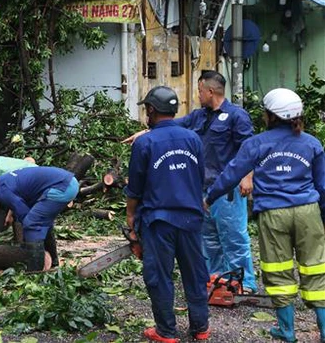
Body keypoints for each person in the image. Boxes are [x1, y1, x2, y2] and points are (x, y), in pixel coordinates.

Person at [205, 88, 325, 343]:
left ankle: (287, 330)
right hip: (308, 212)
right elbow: (322, 185)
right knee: (316, 268)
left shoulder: (256, 143)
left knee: (278, 270)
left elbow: (231, 174)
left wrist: (209, 197)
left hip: (273, 214)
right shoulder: (312, 143)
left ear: (269, 115)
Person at [123, 71, 258, 293]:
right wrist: (145, 133)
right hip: (202, 190)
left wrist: (247, 176)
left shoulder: (236, 116)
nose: (198, 95)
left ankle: (244, 283)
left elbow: (248, 148)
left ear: (210, 91)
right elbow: (170, 124)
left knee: (234, 238)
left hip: (227, 190)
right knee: (209, 241)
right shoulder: (198, 116)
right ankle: (216, 281)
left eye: (200, 91)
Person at [124, 86, 209, 343]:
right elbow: (200, 177)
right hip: (191, 218)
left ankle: (166, 331)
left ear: (151, 109)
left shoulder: (145, 142)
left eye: (146, 109)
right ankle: (201, 328)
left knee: (159, 276)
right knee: (194, 273)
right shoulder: (193, 139)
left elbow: (135, 187)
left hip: (159, 221)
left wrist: (130, 219)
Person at [0, 165, 79, 271]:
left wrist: (28, 240)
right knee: (42, 221)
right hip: (67, 182)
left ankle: (35, 270)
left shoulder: (1, 190)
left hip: (62, 186)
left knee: (32, 223)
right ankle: (54, 262)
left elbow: (23, 211)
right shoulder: (2, 182)